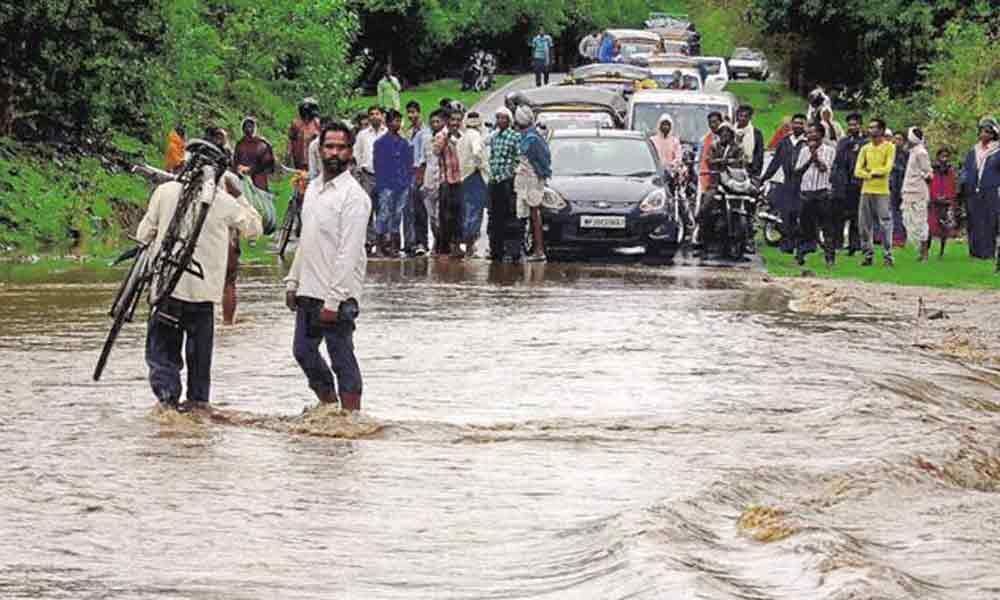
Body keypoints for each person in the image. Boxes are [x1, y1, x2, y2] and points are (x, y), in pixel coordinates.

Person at [137, 141, 263, 412]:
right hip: (203, 299)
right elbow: (255, 229)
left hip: (165, 291)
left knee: (163, 361)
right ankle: (196, 419)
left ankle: (168, 411)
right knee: (199, 370)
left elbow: (142, 235)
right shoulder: (224, 203)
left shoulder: (165, 192)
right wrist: (240, 195)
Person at [285, 121, 371, 411]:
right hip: (308, 287)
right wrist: (292, 281)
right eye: (329, 146)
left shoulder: (354, 197)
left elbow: (348, 252)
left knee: (341, 356)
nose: (335, 152)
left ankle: (351, 418)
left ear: (350, 153)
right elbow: (306, 238)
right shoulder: (313, 190)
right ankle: (328, 407)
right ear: (319, 150)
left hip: (338, 294)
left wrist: (334, 300)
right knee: (303, 352)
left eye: (341, 147)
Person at [762, 113, 808, 254]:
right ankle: (787, 244)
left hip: (803, 183)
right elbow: (776, 162)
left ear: (805, 125)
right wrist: (764, 178)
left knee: (799, 213)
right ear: (791, 125)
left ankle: (798, 243)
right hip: (787, 182)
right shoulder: (784, 141)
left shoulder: (806, 143)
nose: (798, 126)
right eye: (795, 123)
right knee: (786, 214)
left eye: (801, 123)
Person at [854, 118, 897, 267]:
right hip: (866, 190)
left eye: (873, 128)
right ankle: (867, 255)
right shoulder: (865, 148)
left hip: (882, 191)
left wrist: (870, 172)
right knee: (864, 224)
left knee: (885, 224)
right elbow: (857, 171)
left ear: (881, 130)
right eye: (870, 127)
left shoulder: (889, 147)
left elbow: (887, 168)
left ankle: (888, 256)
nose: (870, 130)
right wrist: (869, 174)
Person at [794, 123, 838, 267]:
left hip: (822, 192)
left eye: (813, 132)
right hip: (806, 192)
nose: (810, 135)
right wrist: (809, 158)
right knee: (805, 226)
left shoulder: (830, 150)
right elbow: (798, 171)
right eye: (809, 133)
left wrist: (816, 157)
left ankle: (829, 258)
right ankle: (802, 253)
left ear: (821, 134)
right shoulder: (803, 151)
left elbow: (826, 169)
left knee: (827, 227)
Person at [697, 122, 746, 248]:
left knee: (748, 201)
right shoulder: (714, 146)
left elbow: (740, 162)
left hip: (733, 183)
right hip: (716, 183)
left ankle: (747, 236)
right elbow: (709, 161)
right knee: (706, 206)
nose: (724, 134)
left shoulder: (738, 148)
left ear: (731, 134)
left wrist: (727, 163)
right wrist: (720, 162)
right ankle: (701, 235)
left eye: (727, 132)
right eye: (722, 132)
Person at [373, 109, 414, 258]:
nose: (398, 124)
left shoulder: (404, 143)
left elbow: (409, 164)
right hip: (386, 184)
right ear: (389, 123)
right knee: (384, 214)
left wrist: (408, 181)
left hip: (401, 184)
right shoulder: (380, 143)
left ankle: (394, 246)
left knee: (397, 215)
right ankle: (379, 245)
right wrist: (381, 183)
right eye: (395, 121)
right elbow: (377, 165)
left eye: (399, 121)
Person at [514, 106, 551, 262]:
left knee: (534, 214)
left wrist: (540, 176)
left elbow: (542, 162)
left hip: (533, 180)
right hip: (525, 180)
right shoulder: (527, 136)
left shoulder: (532, 138)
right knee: (528, 215)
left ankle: (539, 250)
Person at [960, 117, 1000, 261]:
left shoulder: (997, 151)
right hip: (972, 191)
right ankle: (974, 252)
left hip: (991, 190)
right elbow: (966, 168)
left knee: (989, 221)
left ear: (993, 134)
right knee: (973, 220)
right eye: (982, 131)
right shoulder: (974, 150)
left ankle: (988, 253)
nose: (983, 134)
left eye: (987, 132)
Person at [487, 106, 521, 262]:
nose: (500, 121)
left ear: (509, 120)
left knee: (510, 217)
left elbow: (518, 158)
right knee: (494, 217)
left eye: (504, 118)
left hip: (507, 181)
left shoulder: (514, 137)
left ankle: (512, 250)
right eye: (498, 118)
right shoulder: (494, 137)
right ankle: (496, 249)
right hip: (494, 181)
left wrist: (512, 174)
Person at [353, 106, 388, 253]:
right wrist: (359, 171)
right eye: (371, 114)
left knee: (383, 211)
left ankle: (382, 243)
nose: (374, 116)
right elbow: (357, 153)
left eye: (377, 113)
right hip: (367, 176)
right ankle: (368, 241)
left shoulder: (388, 133)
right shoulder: (362, 135)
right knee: (366, 209)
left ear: (382, 116)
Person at [832, 112, 866, 256]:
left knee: (856, 216)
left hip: (857, 183)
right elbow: (838, 160)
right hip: (843, 184)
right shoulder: (843, 141)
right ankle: (838, 244)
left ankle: (855, 245)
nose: (852, 127)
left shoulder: (865, 142)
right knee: (839, 215)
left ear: (860, 125)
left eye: (855, 124)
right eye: (850, 124)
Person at [434, 108, 465, 258]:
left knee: (459, 214)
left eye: (458, 120)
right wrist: (447, 137)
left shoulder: (463, 136)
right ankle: (444, 247)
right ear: (448, 121)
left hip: (460, 181)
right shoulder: (441, 135)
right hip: (446, 180)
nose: (455, 123)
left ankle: (457, 245)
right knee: (446, 215)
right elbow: (436, 151)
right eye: (453, 120)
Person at [458, 111, 490, 257]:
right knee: (475, 212)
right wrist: (480, 165)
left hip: (464, 177)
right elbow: (477, 152)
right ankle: (471, 245)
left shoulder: (463, 137)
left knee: (467, 210)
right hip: (474, 177)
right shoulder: (475, 136)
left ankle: (468, 244)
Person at [901, 127, 932, 261]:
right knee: (908, 220)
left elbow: (929, 173)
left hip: (918, 192)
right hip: (908, 190)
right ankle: (919, 249)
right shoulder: (912, 152)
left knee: (920, 221)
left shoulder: (921, 153)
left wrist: (921, 176)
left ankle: (924, 253)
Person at [405, 101, 432, 256]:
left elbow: (423, 157)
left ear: (419, 112)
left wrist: (420, 176)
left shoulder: (425, 132)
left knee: (420, 210)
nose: (411, 115)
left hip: (419, 172)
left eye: (414, 112)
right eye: (409, 112)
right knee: (411, 211)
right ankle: (412, 241)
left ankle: (422, 242)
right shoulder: (409, 132)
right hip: (409, 173)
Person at [422, 109, 447, 254]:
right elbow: (424, 160)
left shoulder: (445, 137)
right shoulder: (427, 139)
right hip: (429, 180)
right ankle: (436, 240)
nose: (435, 124)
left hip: (442, 181)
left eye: (438, 121)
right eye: (432, 122)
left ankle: (442, 243)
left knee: (440, 214)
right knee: (431, 215)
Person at [928, 147, 959, 258]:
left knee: (944, 229)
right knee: (930, 226)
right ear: (938, 156)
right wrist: (933, 196)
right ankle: (926, 250)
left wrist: (949, 198)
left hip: (945, 202)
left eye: (946, 156)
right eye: (942, 156)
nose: (944, 158)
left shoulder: (950, 171)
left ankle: (941, 251)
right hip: (934, 201)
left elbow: (952, 186)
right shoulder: (932, 169)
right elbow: (930, 184)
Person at [887, 130, 909, 247]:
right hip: (892, 186)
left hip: (903, 186)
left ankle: (901, 237)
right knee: (892, 212)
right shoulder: (890, 153)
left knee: (901, 212)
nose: (896, 141)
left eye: (899, 139)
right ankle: (894, 236)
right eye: (895, 139)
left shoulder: (906, 155)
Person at [288, 98, 321, 171]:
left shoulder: (317, 124)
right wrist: (290, 154)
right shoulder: (296, 124)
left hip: (313, 158)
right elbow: (291, 140)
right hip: (299, 157)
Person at [735, 105, 765, 177]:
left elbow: (759, 154)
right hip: (732, 169)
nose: (742, 118)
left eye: (746, 116)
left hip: (750, 170)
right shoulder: (729, 131)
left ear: (750, 118)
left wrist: (755, 172)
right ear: (737, 116)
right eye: (741, 115)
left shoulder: (756, 133)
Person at [698, 111, 724, 192]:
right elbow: (701, 158)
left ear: (721, 122)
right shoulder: (704, 139)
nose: (712, 125)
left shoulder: (727, 137)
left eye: (715, 122)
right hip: (706, 176)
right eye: (710, 122)